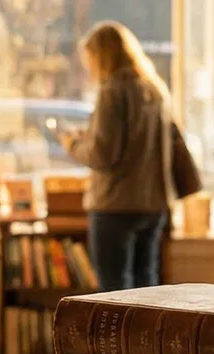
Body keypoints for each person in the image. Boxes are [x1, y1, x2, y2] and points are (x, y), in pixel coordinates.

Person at [60, 21, 174, 291]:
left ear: (101, 56)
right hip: (153, 204)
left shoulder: (112, 91)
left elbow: (103, 154)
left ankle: (120, 337)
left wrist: (73, 144)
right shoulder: (155, 89)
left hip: (115, 204)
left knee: (115, 292)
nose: (88, 67)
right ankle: (145, 336)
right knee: (147, 287)